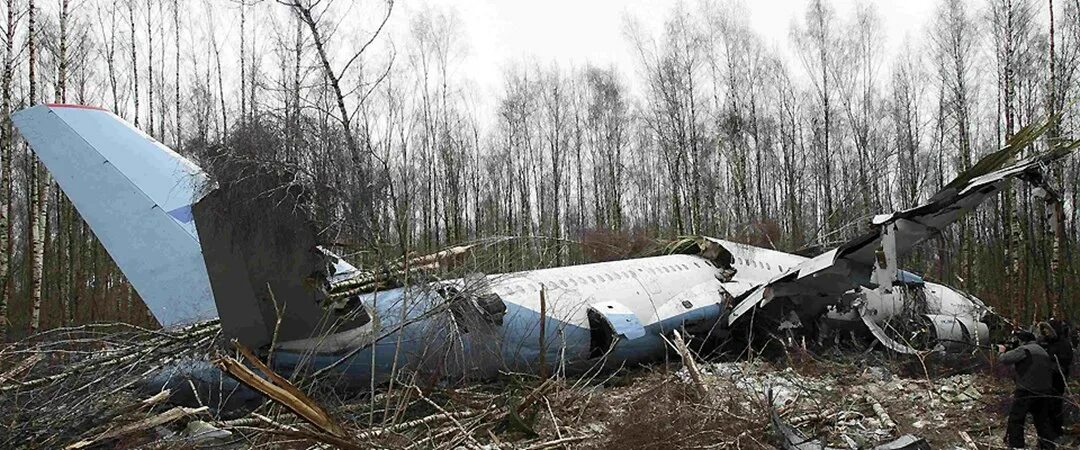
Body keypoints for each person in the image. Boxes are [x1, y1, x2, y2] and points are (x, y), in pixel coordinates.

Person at [999, 328, 1058, 449]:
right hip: (1044, 390)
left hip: (1026, 390)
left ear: (1022, 341)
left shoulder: (1024, 349)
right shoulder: (1042, 351)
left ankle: (1017, 446)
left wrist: (1001, 351)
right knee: (1042, 421)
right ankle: (1047, 446)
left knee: (1016, 419)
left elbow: (1004, 359)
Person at [1044, 319, 1073, 436]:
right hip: (1050, 378)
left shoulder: (1063, 345)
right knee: (1050, 405)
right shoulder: (1050, 342)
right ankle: (1052, 431)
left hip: (1057, 379)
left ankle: (1055, 431)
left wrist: (1050, 365)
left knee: (1054, 405)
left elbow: (1064, 362)